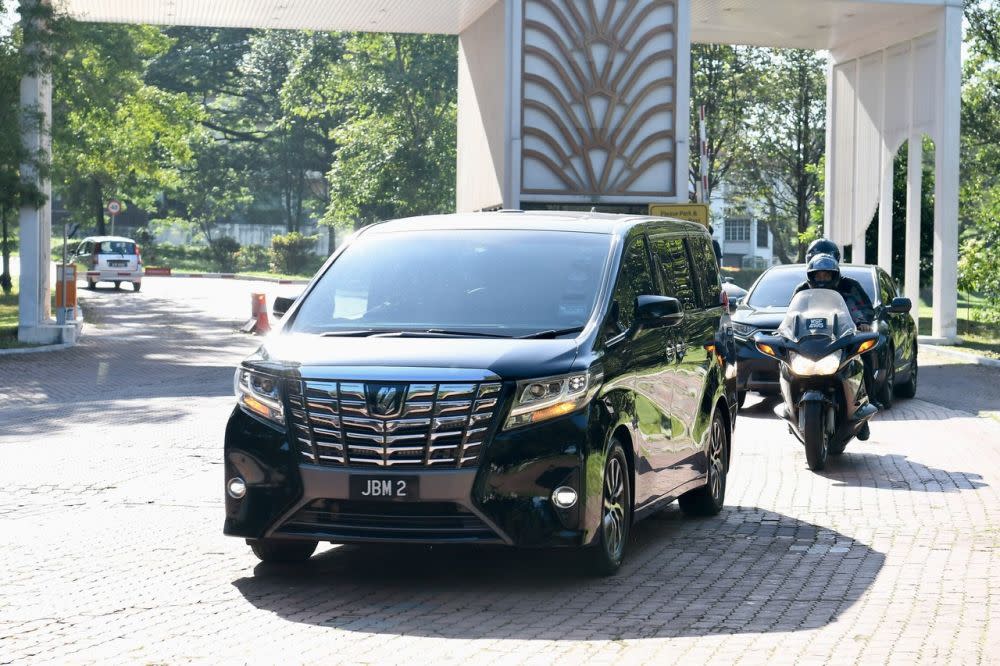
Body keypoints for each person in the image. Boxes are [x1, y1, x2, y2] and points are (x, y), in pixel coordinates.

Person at [793, 253, 881, 437]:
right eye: (818, 275)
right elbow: (793, 313)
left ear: (835, 275)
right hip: (812, 340)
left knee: (865, 356)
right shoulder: (802, 290)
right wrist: (786, 329)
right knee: (786, 361)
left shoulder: (850, 286)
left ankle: (863, 412)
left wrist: (862, 322)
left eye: (827, 275)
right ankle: (790, 407)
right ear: (811, 276)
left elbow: (864, 308)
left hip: (843, 337)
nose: (822, 279)